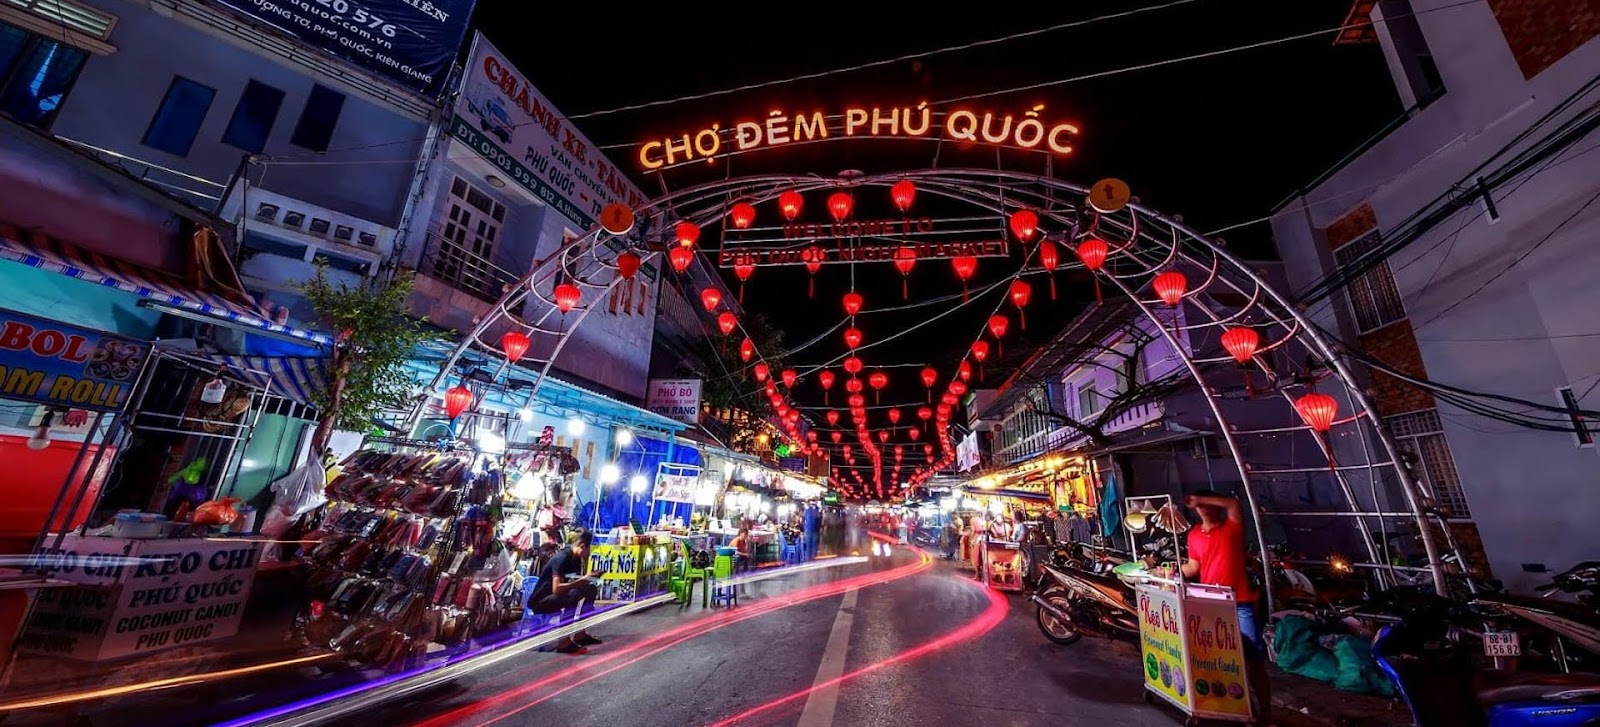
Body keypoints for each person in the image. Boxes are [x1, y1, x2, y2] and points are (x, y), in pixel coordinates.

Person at [1175, 490, 1273, 724]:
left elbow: (1233, 503)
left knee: (1253, 657)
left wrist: (1200, 499)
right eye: (1201, 505)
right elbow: (1194, 567)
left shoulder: (1232, 527)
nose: (1205, 508)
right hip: (1211, 604)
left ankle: (1266, 714)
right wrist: (1171, 570)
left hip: (1240, 603)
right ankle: (1227, 707)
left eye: (1209, 504)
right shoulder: (1194, 534)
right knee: (1216, 658)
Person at [528, 529, 603, 655]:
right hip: (541, 600)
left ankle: (580, 634)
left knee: (590, 589)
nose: (590, 553)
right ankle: (563, 641)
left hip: (557, 596)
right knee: (573, 594)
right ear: (582, 546)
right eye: (589, 549)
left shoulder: (577, 559)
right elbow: (556, 589)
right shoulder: (562, 558)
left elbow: (575, 583)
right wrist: (583, 580)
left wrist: (588, 579)